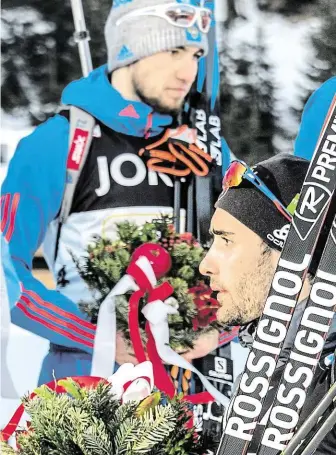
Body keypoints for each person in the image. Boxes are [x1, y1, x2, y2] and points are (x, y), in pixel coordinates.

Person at [1, 0, 225, 386]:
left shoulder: (205, 145)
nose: (188, 71)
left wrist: (217, 331)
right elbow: (5, 267)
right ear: (128, 50)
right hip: (80, 391)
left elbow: (255, 258)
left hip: (190, 388)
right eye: (173, 51)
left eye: (195, 54)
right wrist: (95, 335)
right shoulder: (58, 141)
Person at [199, 153, 336, 453]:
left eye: (226, 241)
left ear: (287, 251)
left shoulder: (328, 382)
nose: (205, 264)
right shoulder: (260, 362)